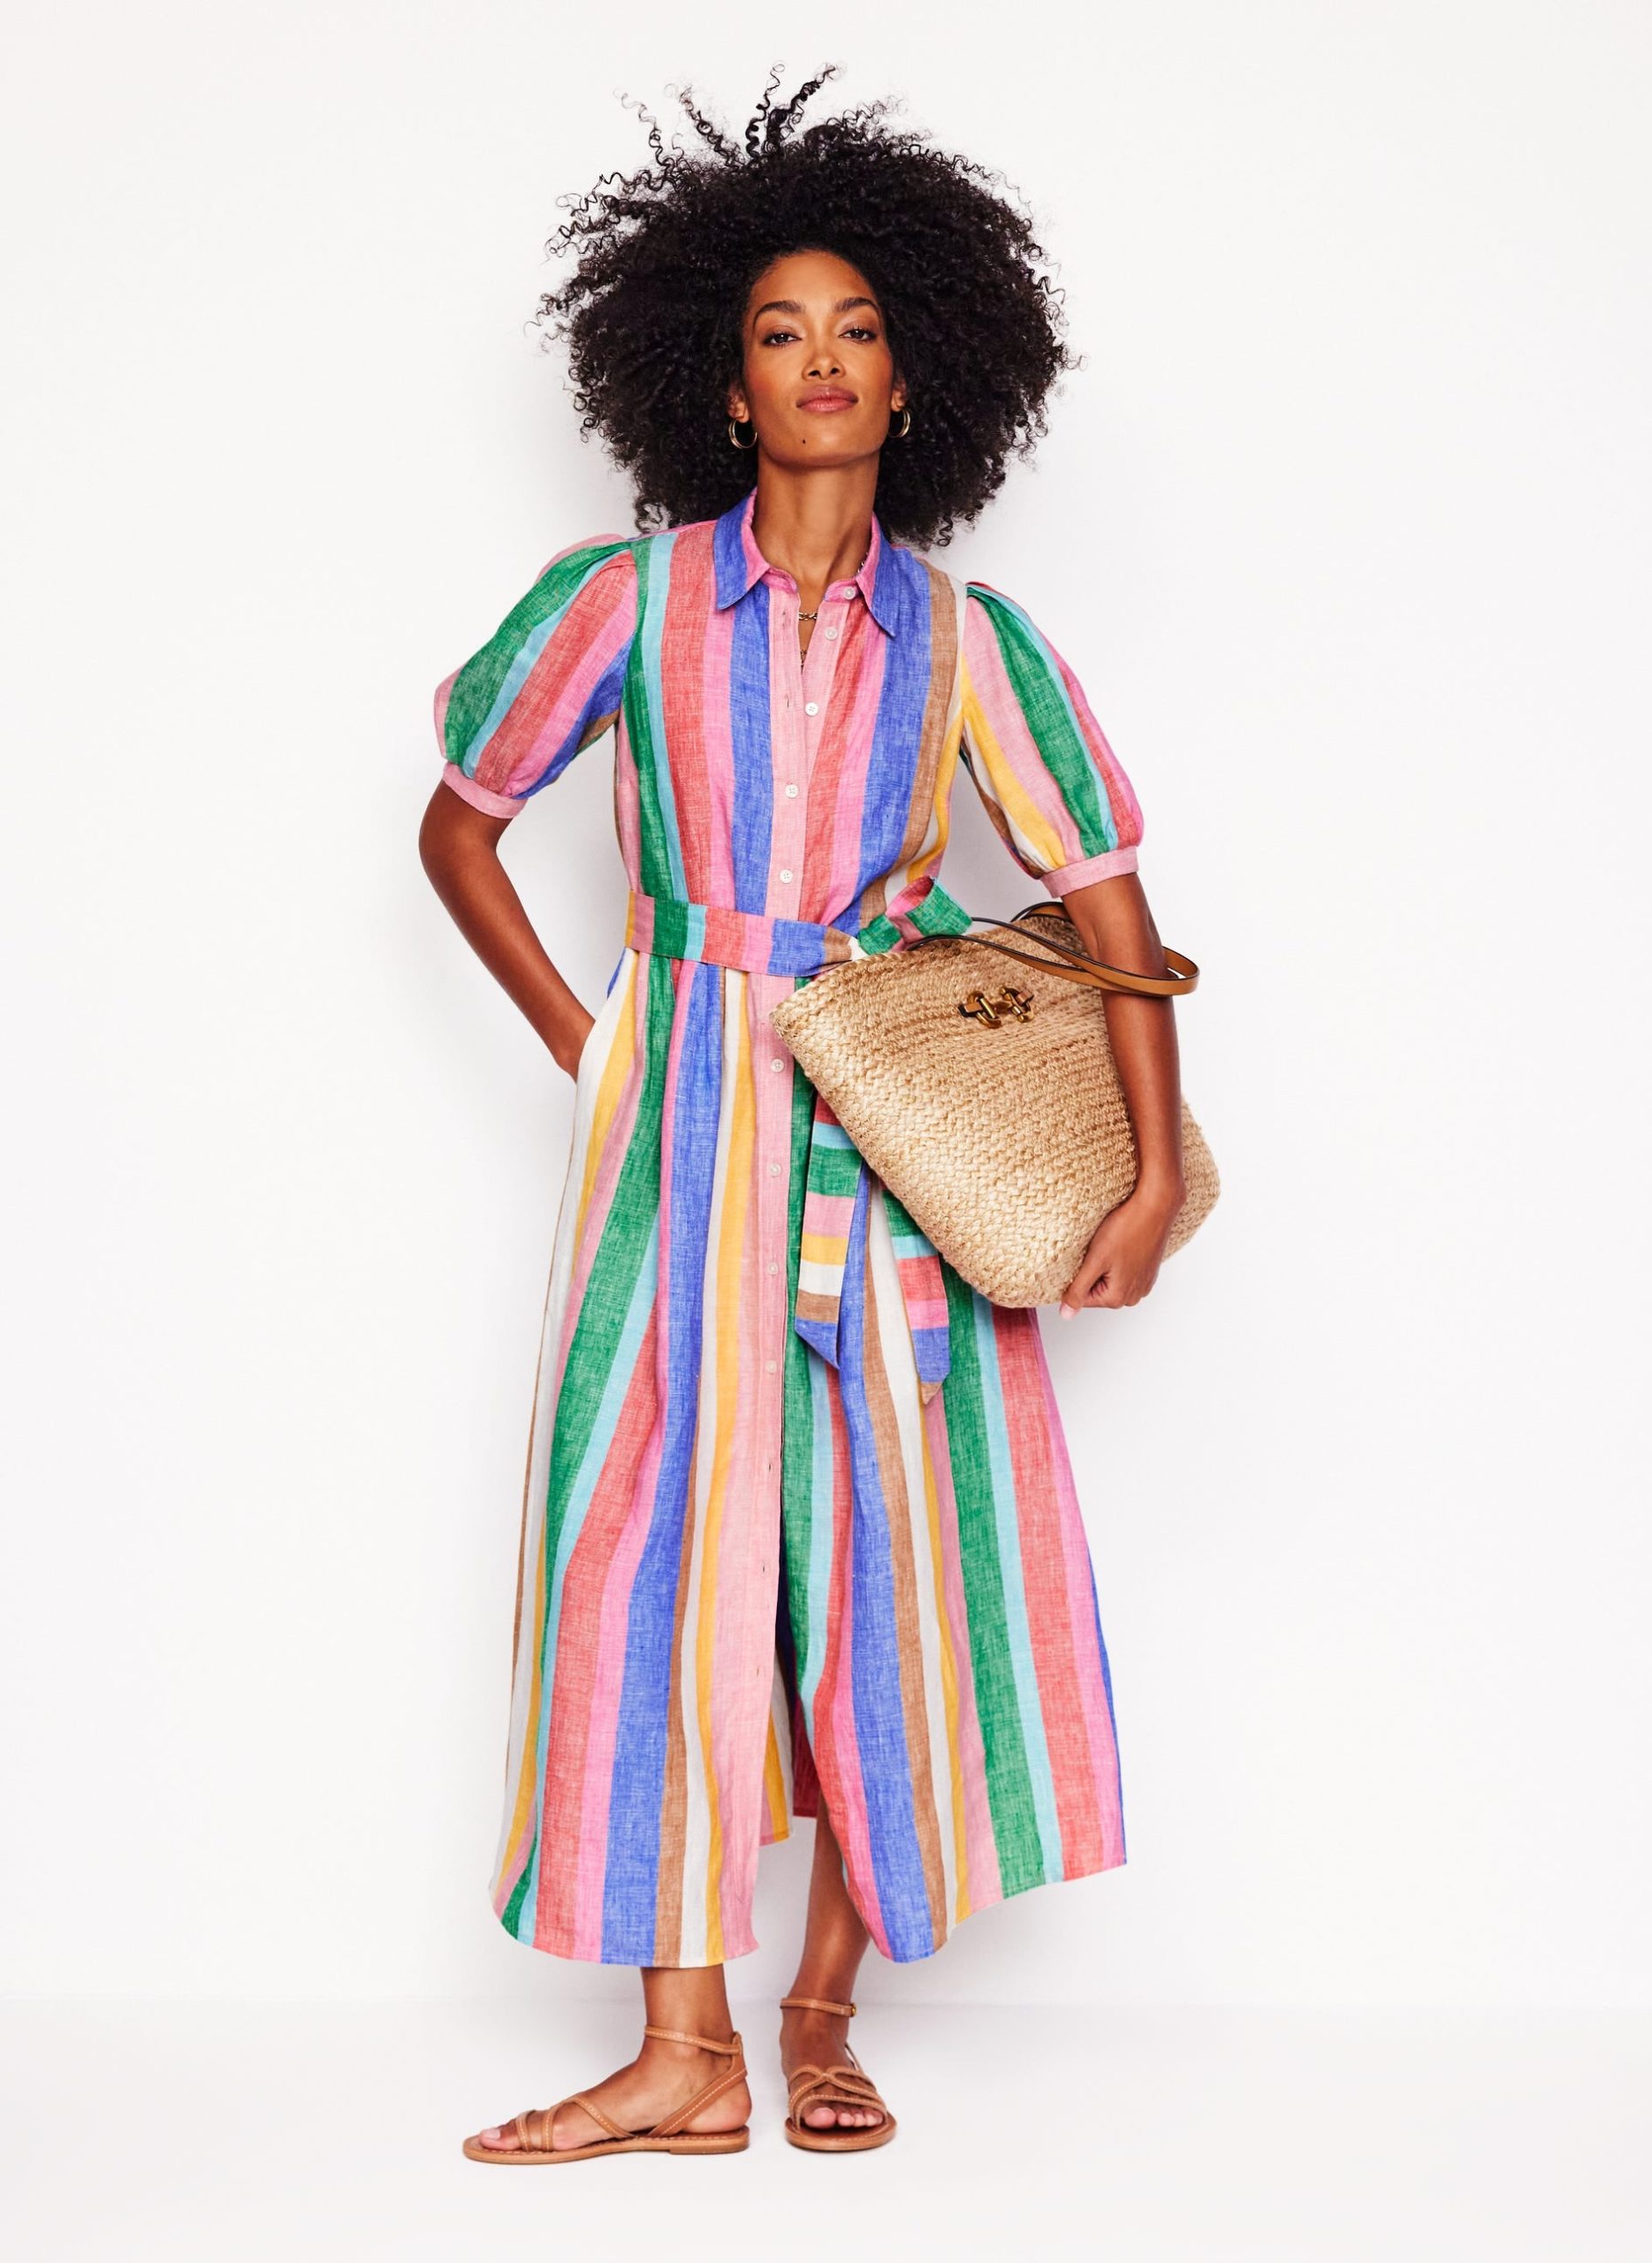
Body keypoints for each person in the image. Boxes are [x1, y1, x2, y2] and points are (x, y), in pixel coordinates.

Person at [419, 65, 1186, 2165]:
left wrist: (1144, 1179)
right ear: (724, 381)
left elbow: (1114, 909)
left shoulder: (972, 640)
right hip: (676, 1136)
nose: (822, 359)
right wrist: (593, 1038)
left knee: (892, 1564)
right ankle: (685, 2050)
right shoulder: (626, 601)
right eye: (780, 331)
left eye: (857, 328)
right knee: (646, 1544)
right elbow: (461, 822)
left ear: (916, 381)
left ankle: (821, 2006)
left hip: (895, 1130)